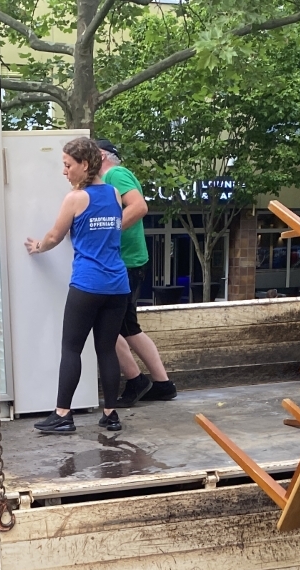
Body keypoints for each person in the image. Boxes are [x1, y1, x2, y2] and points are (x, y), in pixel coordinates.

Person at [26, 137, 132, 435]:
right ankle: (110, 415)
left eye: (67, 165)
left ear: (84, 164)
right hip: (117, 285)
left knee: (71, 349)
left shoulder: (75, 199)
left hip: (88, 284)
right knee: (107, 350)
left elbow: (55, 236)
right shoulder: (113, 193)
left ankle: (63, 415)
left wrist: (38, 246)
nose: (64, 171)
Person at [95, 139, 176, 405]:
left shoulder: (115, 174)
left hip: (125, 262)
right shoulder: (110, 178)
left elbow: (139, 207)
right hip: (128, 261)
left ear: (101, 156)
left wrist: (109, 231)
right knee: (127, 327)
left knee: (111, 326)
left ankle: (137, 380)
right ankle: (161, 383)